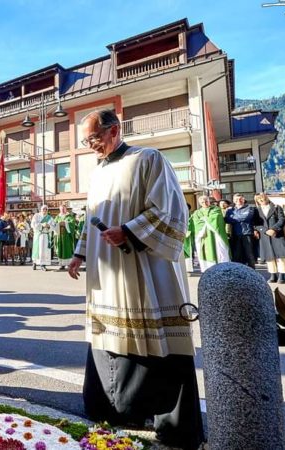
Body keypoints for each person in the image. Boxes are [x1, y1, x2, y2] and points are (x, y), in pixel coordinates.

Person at [66, 110, 204, 449]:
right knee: (109, 336)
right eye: (86, 141)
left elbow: (171, 211)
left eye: (94, 138)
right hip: (105, 268)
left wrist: (127, 231)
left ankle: (169, 422)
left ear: (114, 130)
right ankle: (115, 409)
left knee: (153, 335)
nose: (91, 146)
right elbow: (91, 220)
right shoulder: (97, 172)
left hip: (143, 265)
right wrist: (80, 253)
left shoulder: (149, 159)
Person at [185, 194, 231, 272]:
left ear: (209, 201)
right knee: (205, 252)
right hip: (203, 236)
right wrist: (206, 220)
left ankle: (222, 267)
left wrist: (204, 220)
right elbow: (196, 222)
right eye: (202, 202)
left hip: (215, 235)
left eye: (206, 201)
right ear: (200, 203)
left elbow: (216, 219)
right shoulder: (197, 212)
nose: (205, 203)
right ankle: (207, 268)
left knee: (218, 250)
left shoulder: (216, 209)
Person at [253, 193, 285, 283]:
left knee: (281, 255)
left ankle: (282, 276)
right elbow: (256, 224)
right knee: (269, 256)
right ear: (257, 201)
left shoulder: (276, 207)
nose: (262, 200)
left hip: (277, 234)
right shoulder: (256, 210)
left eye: (263, 198)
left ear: (267, 198)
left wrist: (274, 229)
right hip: (265, 235)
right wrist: (265, 230)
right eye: (259, 199)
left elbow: (282, 220)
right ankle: (273, 275)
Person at [225, 193, 259, 268]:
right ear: (233, 201)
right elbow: (227, 219)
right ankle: (238, 272)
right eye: (236, 199)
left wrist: (234, 218)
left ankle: (252, 271)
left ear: (244, 199)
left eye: (240, 199)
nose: (239, 201)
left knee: (249, 254)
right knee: (236, 255)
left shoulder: (250, 208)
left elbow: (246, 217)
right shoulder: (230, 210)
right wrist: (236, 218)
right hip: (235, 234)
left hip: (247, 233)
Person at [54, 204, 77, 271]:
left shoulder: (69, 216)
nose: (62, 210)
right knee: (60, 250)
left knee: (67, 249)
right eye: (61, 209)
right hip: (60, 237)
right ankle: (62, 265)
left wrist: (65, 223)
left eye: (63, 209)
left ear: (66, 209)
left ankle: (69, 264)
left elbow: (72, 224)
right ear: (59, 209)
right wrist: (58, 224)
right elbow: (54, 224)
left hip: (67, 237)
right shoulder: (57, 217)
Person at [31, 205, 53, 270]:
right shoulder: (36, 216)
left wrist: (49, 226)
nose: (45, 211)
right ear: (41, 209)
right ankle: (34, 263)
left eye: (46, 209)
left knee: (44, 250)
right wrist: (42, 225)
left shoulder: (49, 217)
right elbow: (33, 224)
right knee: (37, 250)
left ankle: (43, 264)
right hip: (38, 235)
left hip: (46, 235)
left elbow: (53, 225)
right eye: (43, 209)